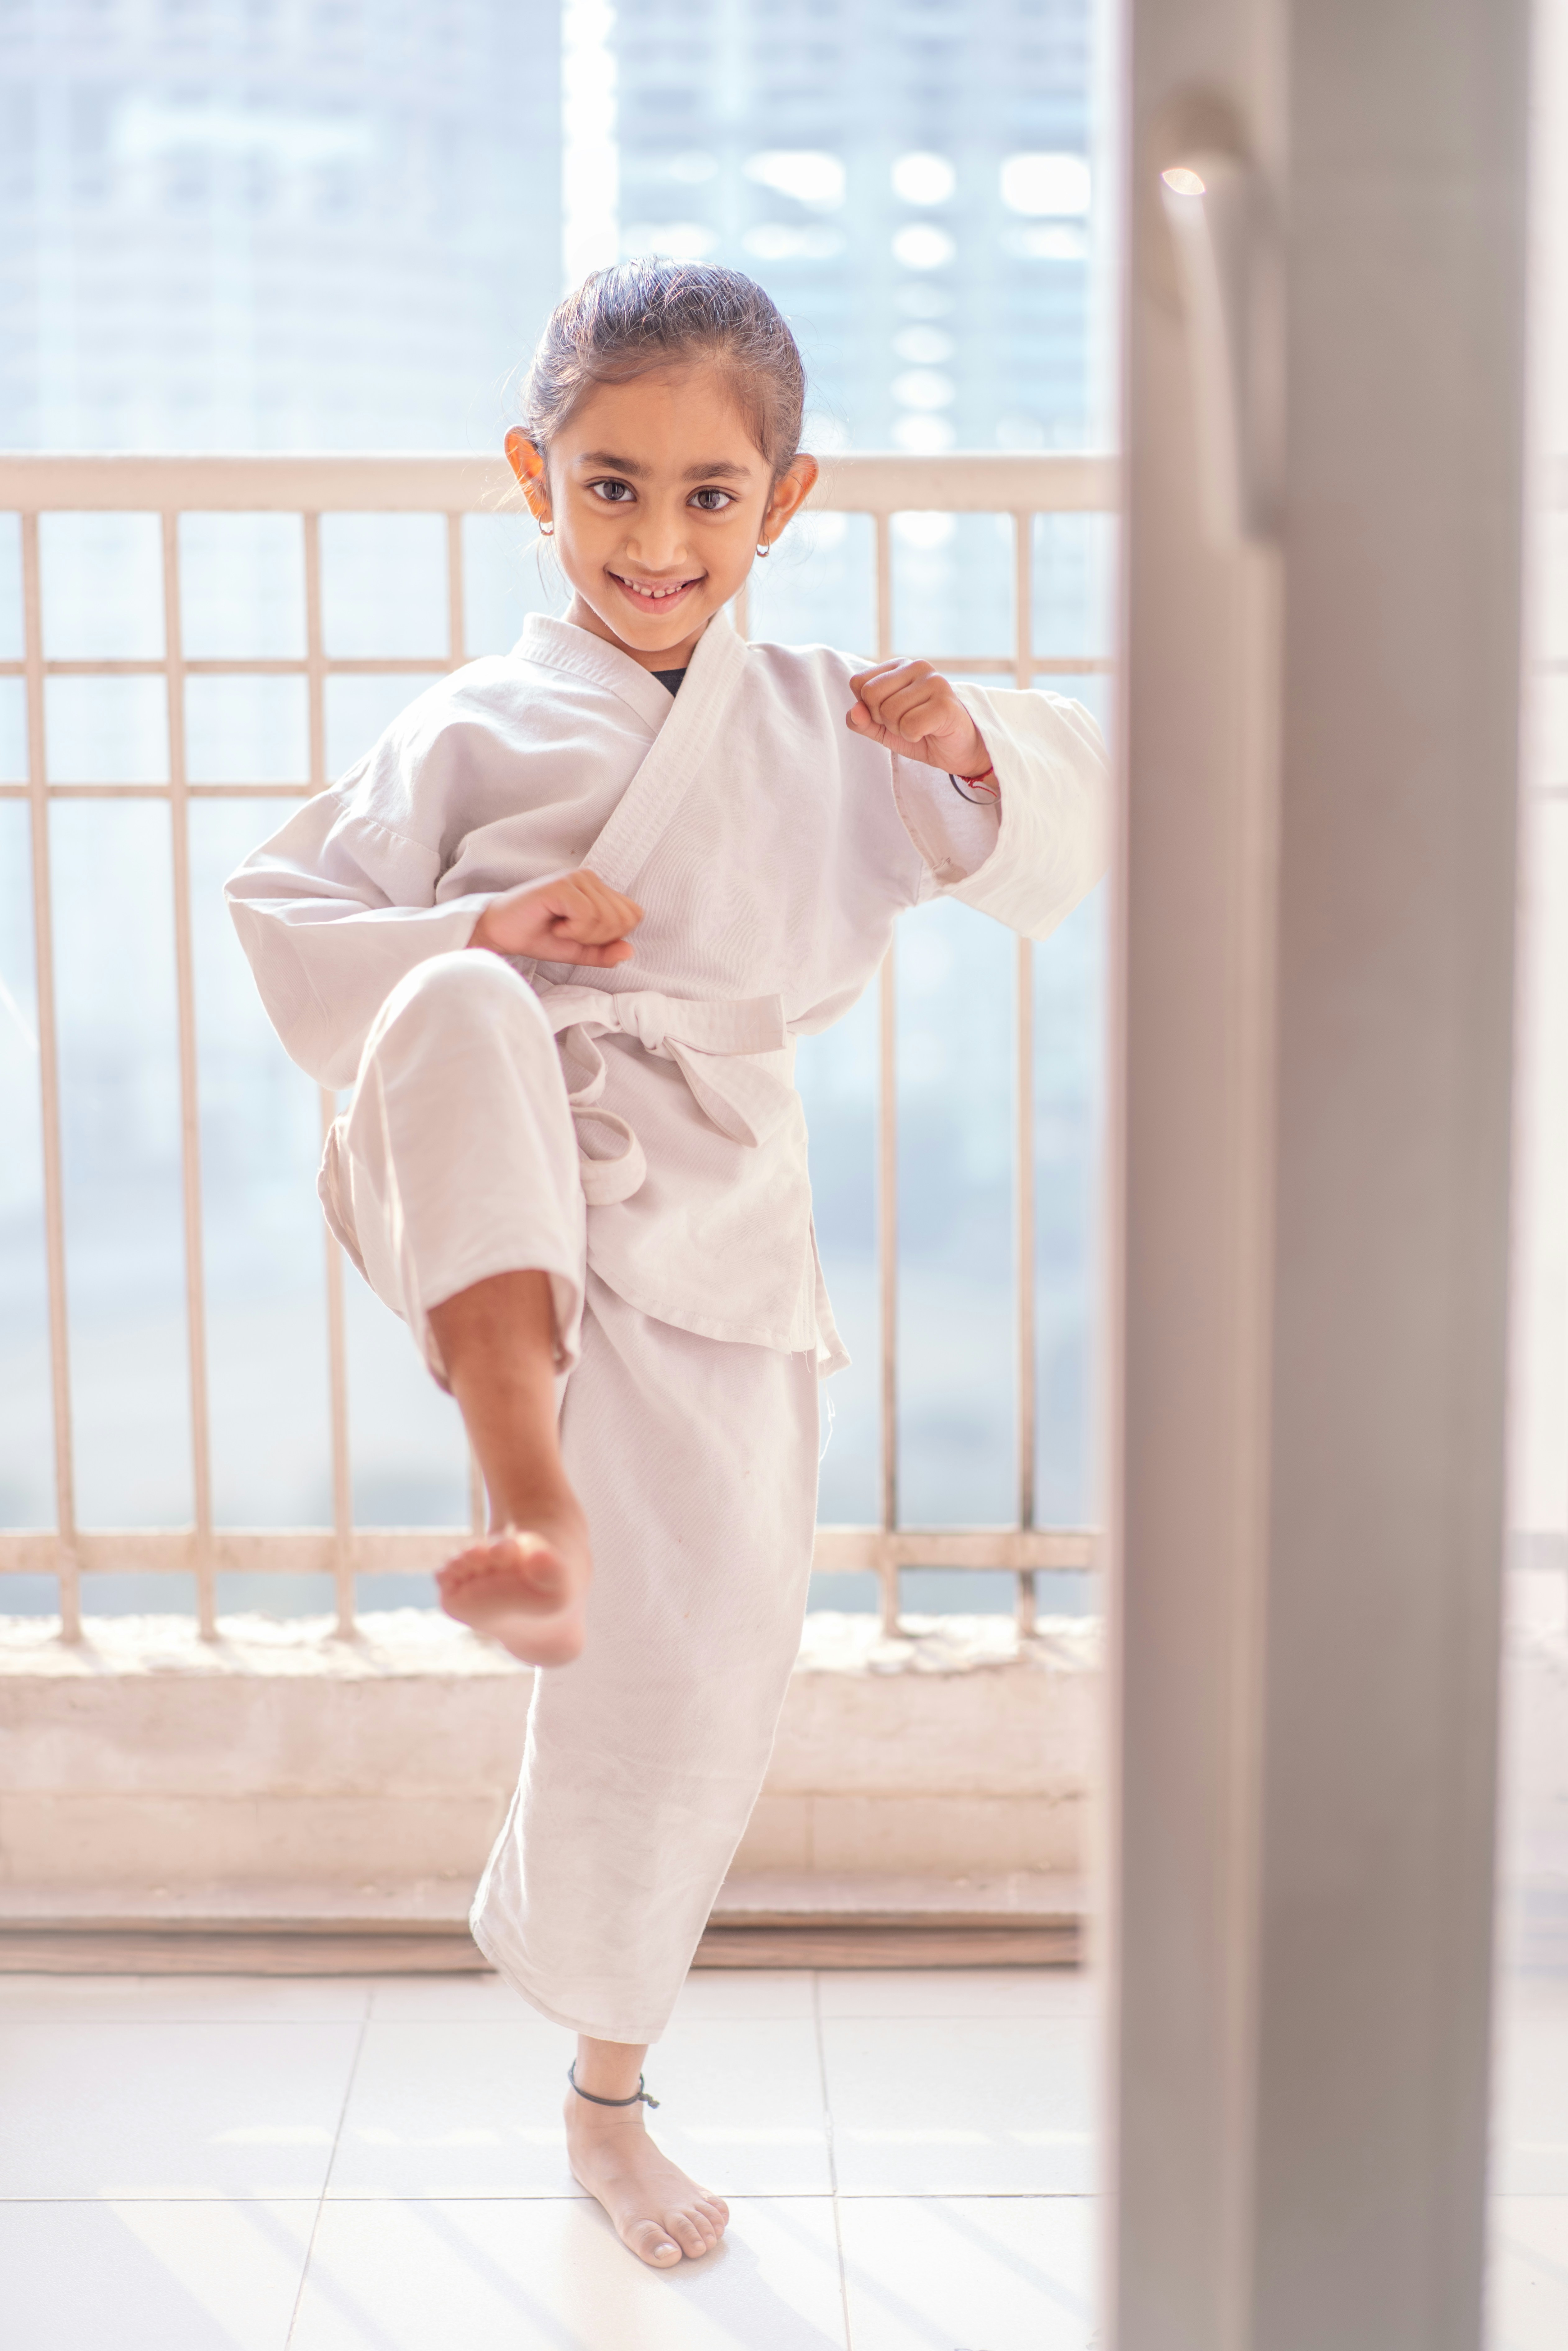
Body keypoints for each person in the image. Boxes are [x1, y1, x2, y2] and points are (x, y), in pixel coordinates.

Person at [226, 260, 1108, 2269]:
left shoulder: (824, 718)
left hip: (708, 1209)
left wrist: (969, 734)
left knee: (691, 1668)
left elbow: (1047, 831)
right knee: (453, 1011)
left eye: (710, 496)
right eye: (609, 487)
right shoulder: (465, 726)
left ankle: (605, 2098)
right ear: (532, 479)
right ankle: (529, 1493)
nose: (654, 536)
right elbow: (285, 913)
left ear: (784, 506)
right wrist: (500, 930)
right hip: (476, 1147)